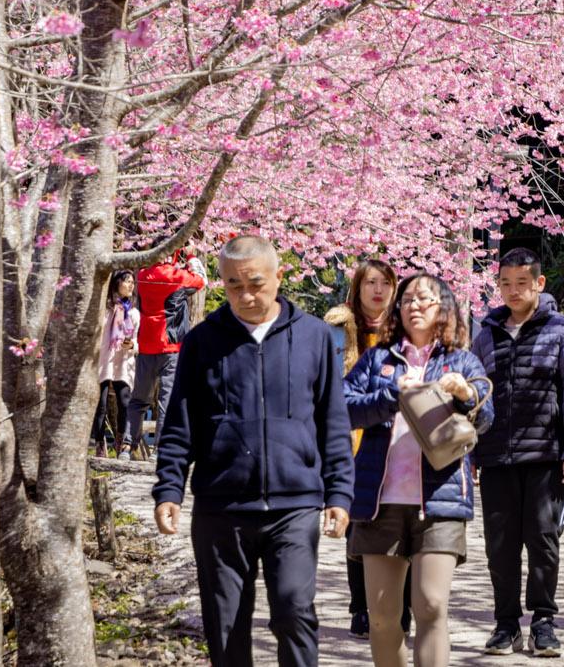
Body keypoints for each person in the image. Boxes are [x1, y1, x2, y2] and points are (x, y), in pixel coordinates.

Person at [153, 235, 354, 667]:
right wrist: (169, 489)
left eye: (256, 284)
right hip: (220, 506)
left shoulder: (315, 337)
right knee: (225, 627)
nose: (245, 295)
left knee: (295, 613)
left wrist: (339, 494)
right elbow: (179, 424)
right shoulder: (202, 341)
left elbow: (332, 421)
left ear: (279, 276)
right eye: (232, 285)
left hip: (295, 505)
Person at [343, 273, 494, 667]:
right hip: (380, 501)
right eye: (407, 299)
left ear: (444, 307)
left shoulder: (461, 360)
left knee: (430, 605)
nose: (414, 306)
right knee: (381, 617)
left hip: (440, 501)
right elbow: (341, 406)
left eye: (424, 299)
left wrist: (464, 394)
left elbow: (486, 414)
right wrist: (392, 395)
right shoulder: (378, 359)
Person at [470, 246, 564, 658]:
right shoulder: (485, 333)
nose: (513, 291)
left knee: (542, 541)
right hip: (495, 456)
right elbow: (473, 396)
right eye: (505, 283)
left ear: (539, 283)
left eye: (522, 283)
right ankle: (505, 624)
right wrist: (470, 450)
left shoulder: (562, 330)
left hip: (545, 454)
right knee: (500, 545)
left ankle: (544, 621)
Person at [327, 256, 399, 638]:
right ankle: (361, 607)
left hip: (394, 439)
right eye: (371, 282)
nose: (377, 290)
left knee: (396, 519)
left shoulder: (406, 331)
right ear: (357, 287)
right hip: (350, 435)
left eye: (385, 283)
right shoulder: (339, 329)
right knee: (358, 523)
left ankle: (395, 606)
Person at [126, 248, 207, 458]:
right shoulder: (176, 276)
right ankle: (159, 449)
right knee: (167, 399)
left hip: (146, 344)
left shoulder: (142, 275)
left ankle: (127, 445)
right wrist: (190, 256)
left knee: (139, 398)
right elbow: (201, 280)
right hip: (170, 346)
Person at [94, 269, 138, 457]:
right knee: (101, 405)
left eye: (132, 282)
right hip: (104, 360)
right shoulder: (105, 310)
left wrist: (132, 345)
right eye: (126, 281)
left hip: (123, 362)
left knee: (125, 402)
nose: (130, 285)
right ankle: (99, 443)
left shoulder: (134, 313)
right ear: (116, 283)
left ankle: (121, 443)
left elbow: (137, 342)